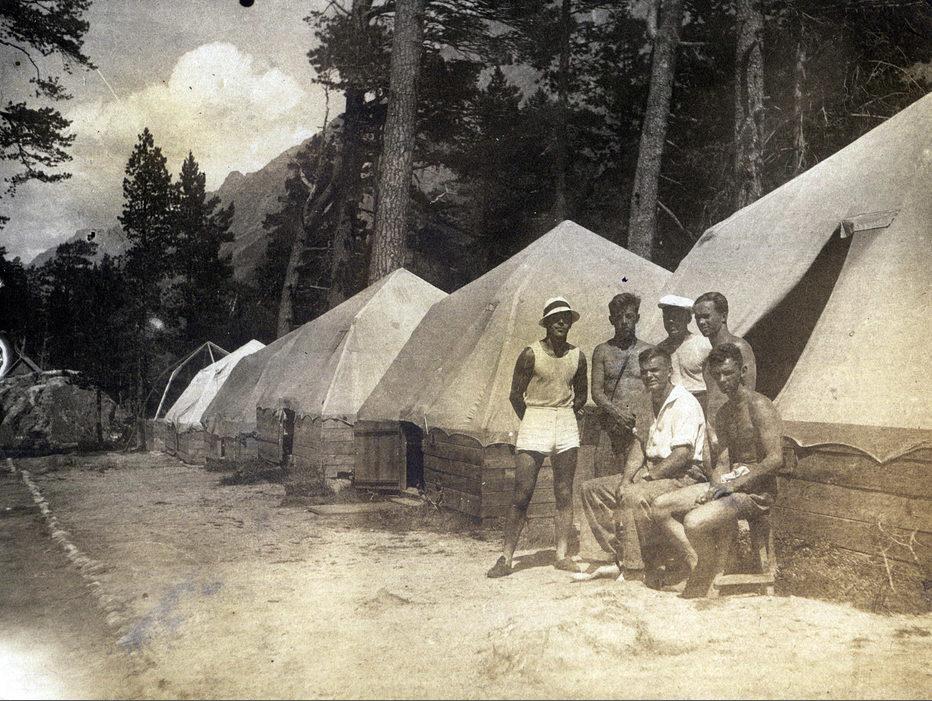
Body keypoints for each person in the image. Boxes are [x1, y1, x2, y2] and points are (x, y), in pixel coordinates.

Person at [651, 343, 784, 598]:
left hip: (757, 494)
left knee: (693, 522)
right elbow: (722, 463)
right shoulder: (724, 414)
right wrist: (714, 487)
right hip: (731, 487)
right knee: (660, 507)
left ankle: (705, 570)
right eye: (717, 375)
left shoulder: (759, 406)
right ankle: (703, 563)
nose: (722, 380)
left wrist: (733, 485)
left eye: (728, 373)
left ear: (742, 371)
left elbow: (775, 459)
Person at [577, 347, 706, 584]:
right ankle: (614, 559)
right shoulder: (648, 402)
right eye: (645, 372)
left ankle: (635, 569)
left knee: (633, 495)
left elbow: (682, 455)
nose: (649, 376)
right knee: (592, 489)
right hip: (655, 471)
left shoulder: (684, 402)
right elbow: (639, 446)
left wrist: (646, 478)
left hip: (683, 475)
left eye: (655, 370)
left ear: (669, 371)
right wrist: (626, 479)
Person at [487, 297, 588, 578]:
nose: (561, 322)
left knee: (564, 491)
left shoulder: (578, 356)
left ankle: (561, 555)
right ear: (546, 323)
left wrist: (563, 415)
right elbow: (515, 396)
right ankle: (506, 558)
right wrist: (533, 421)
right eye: (555, 318)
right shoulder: (530, 354)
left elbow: (582, 395)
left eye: (565, 318)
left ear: (570, 323)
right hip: (535, 419)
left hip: (565, 422)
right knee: (522, 492)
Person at [590, 293, 653, 475]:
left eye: (629, 316)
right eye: (619, 317)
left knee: (637, 479)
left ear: (637, 318)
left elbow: (653, 389)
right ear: (611, 320)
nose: (624, 322)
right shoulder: (602, 351)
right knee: (603, 477)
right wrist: (617, 414)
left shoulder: (648, 350)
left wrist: (638, 418)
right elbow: (596, 391)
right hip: (610, 428)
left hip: (639, 427)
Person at [693, 291, 757, 458]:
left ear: (723, 316)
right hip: (714, 432)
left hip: (735, 434)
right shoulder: (708, 359)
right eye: (697, 317)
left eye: (706, 316)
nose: (701, 322)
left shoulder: (740, 348)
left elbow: (748, 395)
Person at [656, 294, 711, 412]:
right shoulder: (660, 350)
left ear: (688, 319)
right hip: (672, 407)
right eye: (667, 317)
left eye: (676, 317)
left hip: (700, 405)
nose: (671, 321)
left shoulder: (703, 344)